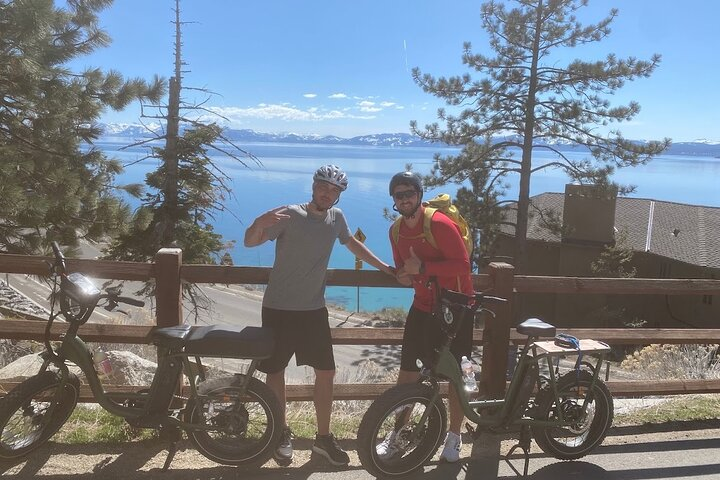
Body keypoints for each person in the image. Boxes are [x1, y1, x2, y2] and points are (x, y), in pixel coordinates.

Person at [244, 164, 395, 466]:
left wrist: (385, 268)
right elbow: (250, 241)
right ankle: (279, 432)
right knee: (276, 372)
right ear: (313, 186)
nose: (327, 193)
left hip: (314, 310)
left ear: (338, 196)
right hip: (279, 308)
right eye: (323, 187)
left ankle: (323, 439)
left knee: (326, 372)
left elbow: (352, 243)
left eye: (334, 190)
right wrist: (258, 222)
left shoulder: (336, 218)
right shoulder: (290, 214)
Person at [379, 171, 474, 463]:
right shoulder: (396, 231)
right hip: (422, 306)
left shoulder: (440, 224)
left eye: (410, 193)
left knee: (455, 376)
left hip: (455, 308)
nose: (405, 199)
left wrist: (423, 269)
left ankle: (454, 438)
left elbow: (463, 266)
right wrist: (404, 274)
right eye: (399, 195)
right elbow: (403, 271)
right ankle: (398, 434)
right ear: (393, 200)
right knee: (407, 371)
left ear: (420, 195)